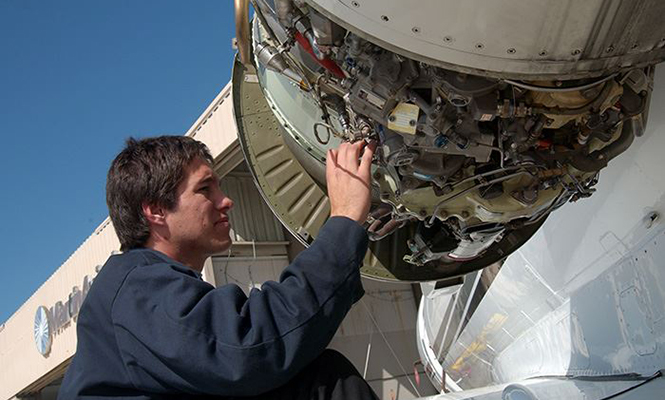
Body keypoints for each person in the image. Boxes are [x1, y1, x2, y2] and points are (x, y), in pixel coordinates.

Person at [58, 135, 379, 400]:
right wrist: (345, 218)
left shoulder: (140, 288)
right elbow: (250, 347)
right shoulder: (137, 289)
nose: (226, 201)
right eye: (204, 189)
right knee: (324, 381)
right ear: (156, 210)